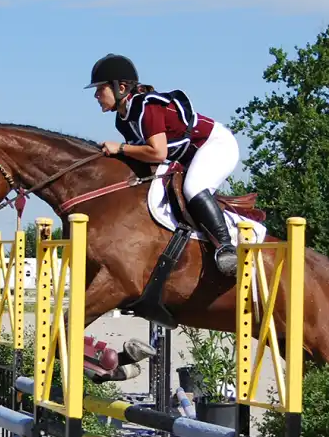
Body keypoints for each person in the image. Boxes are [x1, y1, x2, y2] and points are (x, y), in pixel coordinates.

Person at [87, 53, 239, 276]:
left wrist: (119, 149)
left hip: (215, 145)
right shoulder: (122, 119)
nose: (96, 95)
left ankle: (226, 248)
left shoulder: (146, 107)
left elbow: (158, 152)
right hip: (188, 156)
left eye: (100, 88)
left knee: (193, 188)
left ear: (120, 87)